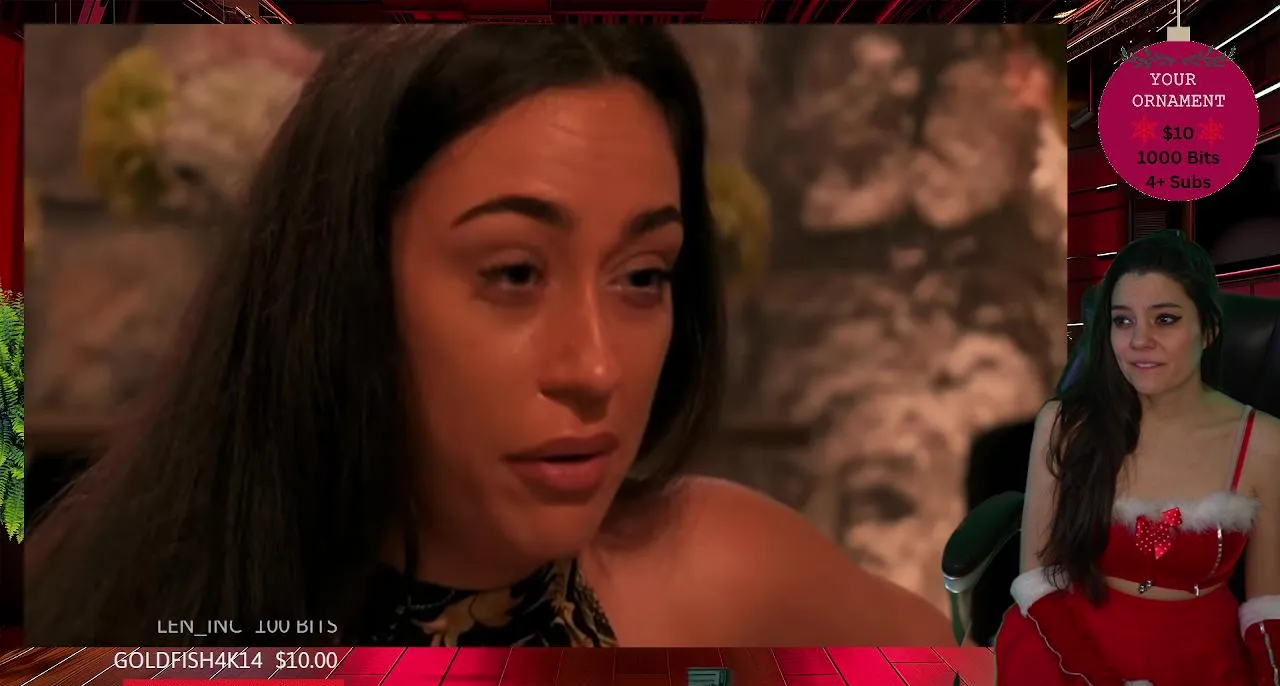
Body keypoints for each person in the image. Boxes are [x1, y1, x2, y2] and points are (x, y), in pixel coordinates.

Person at [27, 26, 951, 648]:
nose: (596, 367)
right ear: (344, 282)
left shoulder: (721, 575)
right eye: (514, 274)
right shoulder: (128, 640)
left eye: (643, 277)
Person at [996, 232, 1280, 686]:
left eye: (1165, 319)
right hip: (1069, 646)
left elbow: (1267, 609)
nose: (1139, 341)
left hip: (1204, 659)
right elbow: (1038, 582)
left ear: (1209, 329)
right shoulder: (1065, 424)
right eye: (1122, 321)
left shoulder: (1264, 442)